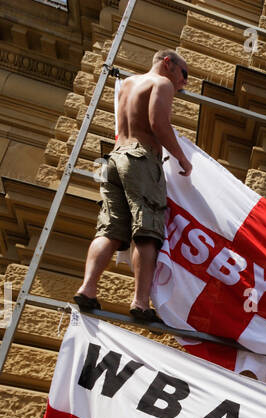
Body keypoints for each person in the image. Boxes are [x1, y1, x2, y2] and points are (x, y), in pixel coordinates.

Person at [74, 50, 192, 324]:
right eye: (184, 74)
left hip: (114, 159)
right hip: (140, 158)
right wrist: (181, 157)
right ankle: (140, 302)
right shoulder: (161, 84)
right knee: (147, 229)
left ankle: (88, 287)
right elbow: (158, 124)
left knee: (111, 229)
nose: (183, 83)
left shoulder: (127, 84)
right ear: (168, 64)